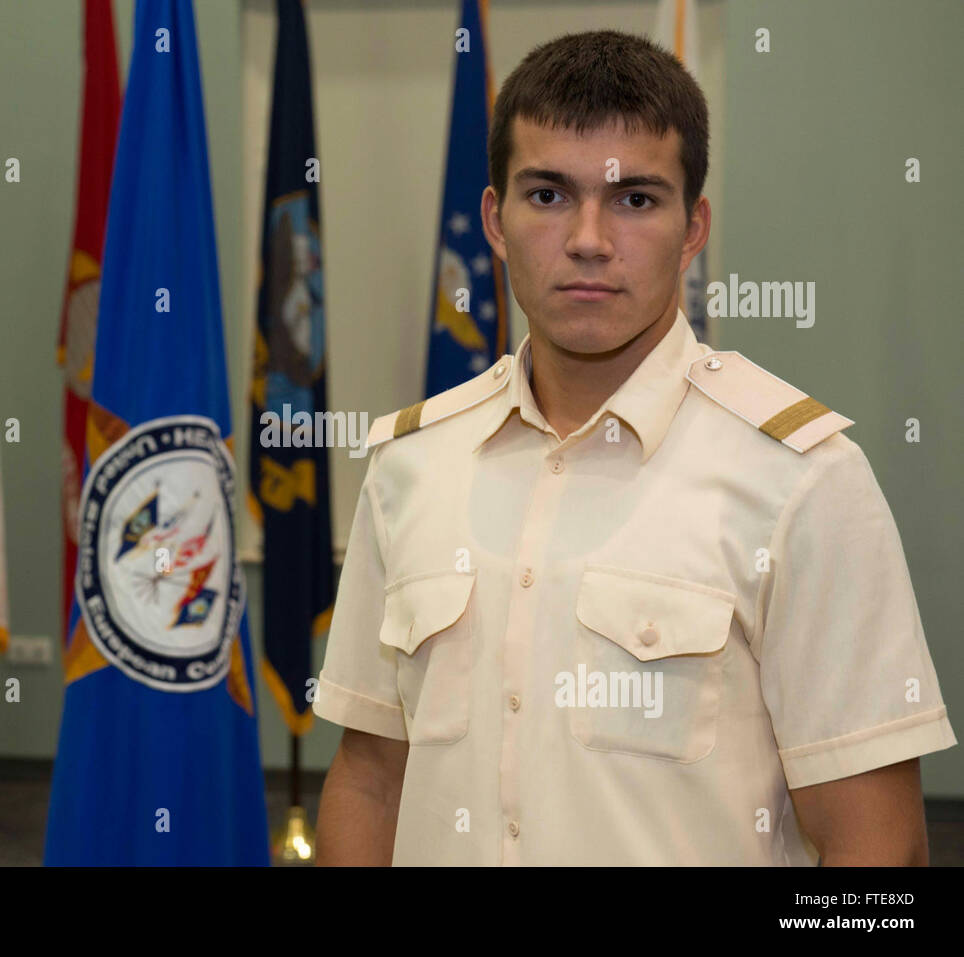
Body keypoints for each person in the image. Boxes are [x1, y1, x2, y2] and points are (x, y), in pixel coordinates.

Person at [312, 29, 955, 866]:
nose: (588, 239)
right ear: (492, 222)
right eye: (547, 195)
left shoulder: (801, 479)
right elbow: (371, 780)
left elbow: (879, 847)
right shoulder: (410, 464)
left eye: (635, 200)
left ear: (693, 228)